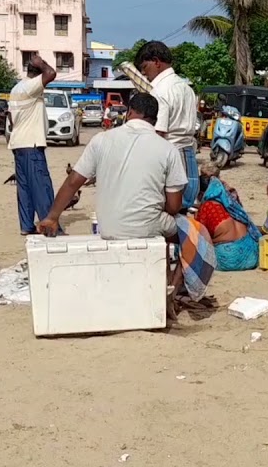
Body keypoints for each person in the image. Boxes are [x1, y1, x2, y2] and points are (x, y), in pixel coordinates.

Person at [40, 93, 216, 317]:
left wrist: (53, 217)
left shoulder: (101, 140)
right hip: (147, 225)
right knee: (194, 232)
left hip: (108, 226)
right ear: (154, 120)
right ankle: (172, 289)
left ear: (130, 112)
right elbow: (174, 206)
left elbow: (73, 182)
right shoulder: (167, 149)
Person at [134, 41, 200, 210]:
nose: (143, 73)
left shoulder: (160, 91)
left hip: (170, 156)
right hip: (188, 155)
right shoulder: (186, 88)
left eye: (144, 67)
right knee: (186, 207)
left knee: (169, 211)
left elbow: (159, 134)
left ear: (156, 62)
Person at [8, 52, 58, 235]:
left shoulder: (16, 89)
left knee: (25, 189)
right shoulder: (31, 86)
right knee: (41, 187)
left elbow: (12, 120)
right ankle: (49, 226)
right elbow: (51, 74)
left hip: (18, 144)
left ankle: (26, 225)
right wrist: (42, 63)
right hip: (32, 144)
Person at [196, 167, 261, 271]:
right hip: (251, 254)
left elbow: (199, 234)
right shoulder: (230, 200)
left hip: (229, 258)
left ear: (201, 193)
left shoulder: (208, 206)